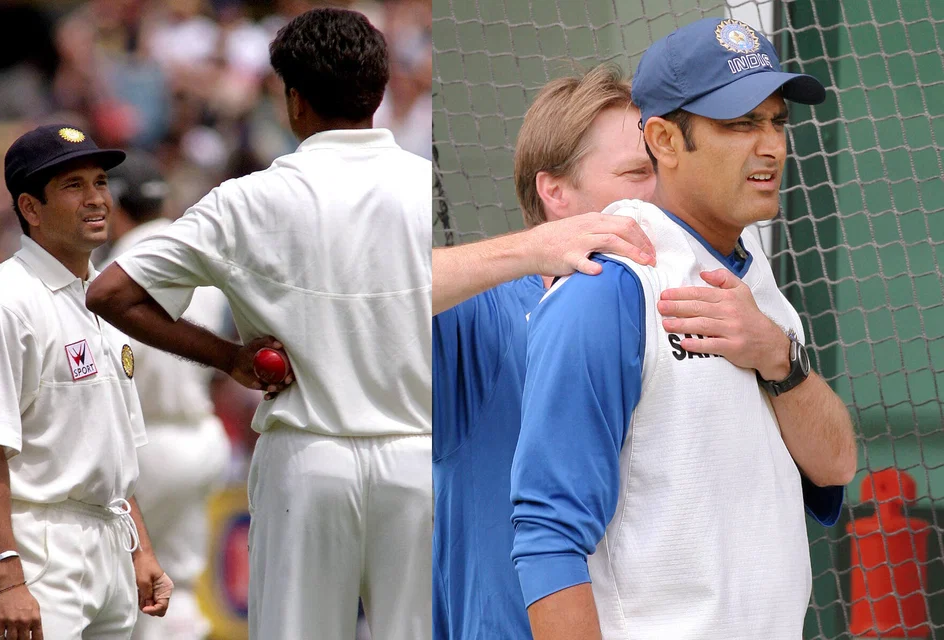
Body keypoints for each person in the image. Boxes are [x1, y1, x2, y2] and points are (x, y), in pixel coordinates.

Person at [85, 8, 432, 640]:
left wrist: (229, 358)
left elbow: (110, 292)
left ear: (293, 101)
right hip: (419, 456)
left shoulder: (247, 200)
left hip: (307, 456)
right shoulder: (432, 189)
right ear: (380, 92)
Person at [511, 18, 858, 640]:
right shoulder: (610, 288)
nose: (772, 146)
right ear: (665, 140)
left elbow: (835, 466)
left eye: (776, 121)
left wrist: (778, 356)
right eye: (739, 124)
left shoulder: (763, 293)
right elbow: (547, 536)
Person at [432, 64, 656, 640]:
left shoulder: (693, 307)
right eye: (636, 172)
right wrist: (533, 250)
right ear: (554, 192)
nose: (656, 192)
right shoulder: (486, 315)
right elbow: (374, 290)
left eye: (662, 171)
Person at [0, 124, 171, 640]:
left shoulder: (100, 299)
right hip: (36, 546)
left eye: (99, 182)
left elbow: (113, 448)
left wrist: (139, 548)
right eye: (74, 186)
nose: (96, 199)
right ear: (29, 208)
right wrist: (7, 578)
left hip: (109, 544)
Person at [97, 151, 232, 640]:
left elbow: (114, 368)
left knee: (129, 579)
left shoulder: (118, 266)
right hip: (202, 435)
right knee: (183, 578)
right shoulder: (188, 250)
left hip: (148, 441)